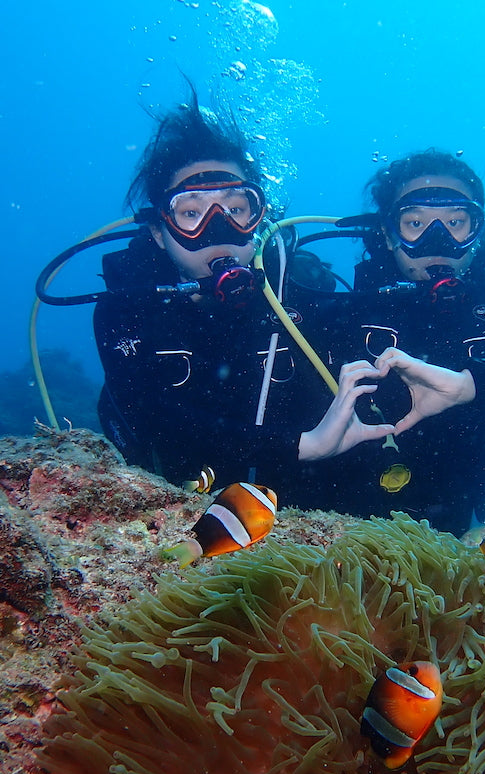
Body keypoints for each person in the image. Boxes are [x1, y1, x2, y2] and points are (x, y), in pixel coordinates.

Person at [94, 88, 392, 495]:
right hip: (167, 502)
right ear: (159, 234)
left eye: (236, 209)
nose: (218, 230)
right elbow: (154, 420)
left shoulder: (301, 293)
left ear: (259, 216)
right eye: (191, 213)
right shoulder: (129, 306)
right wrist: (301, 446)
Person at [310, 149, 485, 535]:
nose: (438, 241)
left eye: (455, 222)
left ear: (476, 231)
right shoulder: (342, 318)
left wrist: (469, 385)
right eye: (415, 222)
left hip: (450, 513)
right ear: (388, 232)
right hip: (335, 512)